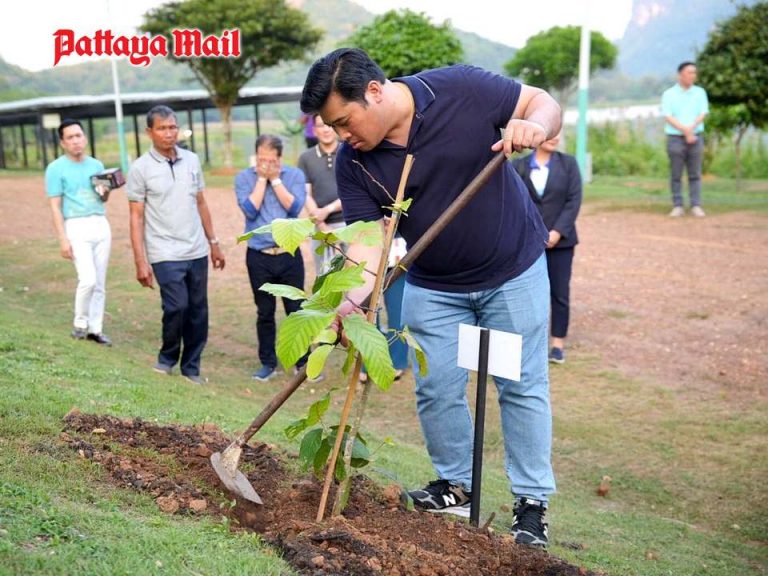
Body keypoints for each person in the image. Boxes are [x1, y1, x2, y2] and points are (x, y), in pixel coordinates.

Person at [301, 48, 561, 548]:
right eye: (331, 127)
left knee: (520, 385)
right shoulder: (356, 162)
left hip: (511, 269)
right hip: (433, 283)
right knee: (436, 386)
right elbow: (367, 243)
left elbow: (542, 102)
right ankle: (457, 485)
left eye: (344, 121)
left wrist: (535, 125)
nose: (342, 135)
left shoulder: (459, 89)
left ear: (374, 91)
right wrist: (348, 303)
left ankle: (531, 505)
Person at [126, 105, 225, 385]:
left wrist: (213, 243)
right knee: (177, 306)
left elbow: (201, 202)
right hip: (164, 252)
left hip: (196, 249)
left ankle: (191, 367)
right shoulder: (140, 169)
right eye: (162, 128)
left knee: (198, 310)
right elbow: (136, 217)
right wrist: (140, 261)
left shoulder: (191, 160)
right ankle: (167, 357)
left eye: (172, 127)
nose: (169, 133)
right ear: (149, 132)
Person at [235, 135, 309, 382]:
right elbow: (249, 210)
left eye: (270, 160)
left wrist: (275, 180)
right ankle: (267, 363)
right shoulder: (244, 178)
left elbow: (294, 208)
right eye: (261, 159)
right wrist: (261, 179)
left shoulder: (294, 175)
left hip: (289, 255)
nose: (265, 164)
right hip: (259, 256)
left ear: (280, 158)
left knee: (296, 310)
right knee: (264, 311)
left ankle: (302, 361)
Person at [513, 131, 582, 365]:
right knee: (525, 294)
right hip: (527, 242)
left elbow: (574, 201)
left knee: (560, 293)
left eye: (558, 132)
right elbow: (516, 202)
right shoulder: (518, 166)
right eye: (551, 132)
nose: (555, 137)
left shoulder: (569, 164)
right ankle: (527, 344)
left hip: (561, 242)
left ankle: (557, 345)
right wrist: (535, 233)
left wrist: (557, 232)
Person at [45, 119, 112, 346]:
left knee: (99, 282)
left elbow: (103, 197)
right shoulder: (56, 169)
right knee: (88, 279)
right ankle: (80, 324)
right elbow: (55, 206)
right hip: (76, 225)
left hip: (99, 222)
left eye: (79, 135)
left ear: (85, 138)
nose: (76, 141)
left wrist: (106, 189)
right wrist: (63, 239)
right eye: (70, 137)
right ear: (62, 143)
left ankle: (96, 328)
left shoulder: (96, 165)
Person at [297, 114, 344, 274]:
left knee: (355, 277)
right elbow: (305, 194)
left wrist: (328, 209)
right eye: (320, 126)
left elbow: (355, 192)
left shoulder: (349, 152)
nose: (325, 130)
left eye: (328, 125)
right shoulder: (306, 158)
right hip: (320, 227)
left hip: (350, 224)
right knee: (325, 276)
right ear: (314, 130)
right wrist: (321, 224)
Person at [661, 61, 709, 217]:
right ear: (680, 75)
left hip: (696, 137)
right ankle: (678, 205)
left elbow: (702, 113)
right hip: (675, 138)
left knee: (695, 174)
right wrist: (684, 130)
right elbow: (668, 116)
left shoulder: (700, 92)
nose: (693, 76)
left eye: (694, 73)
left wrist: (691, 129)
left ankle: (695, 205)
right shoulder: (669, 94)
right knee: (676, 174)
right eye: (690, 72)